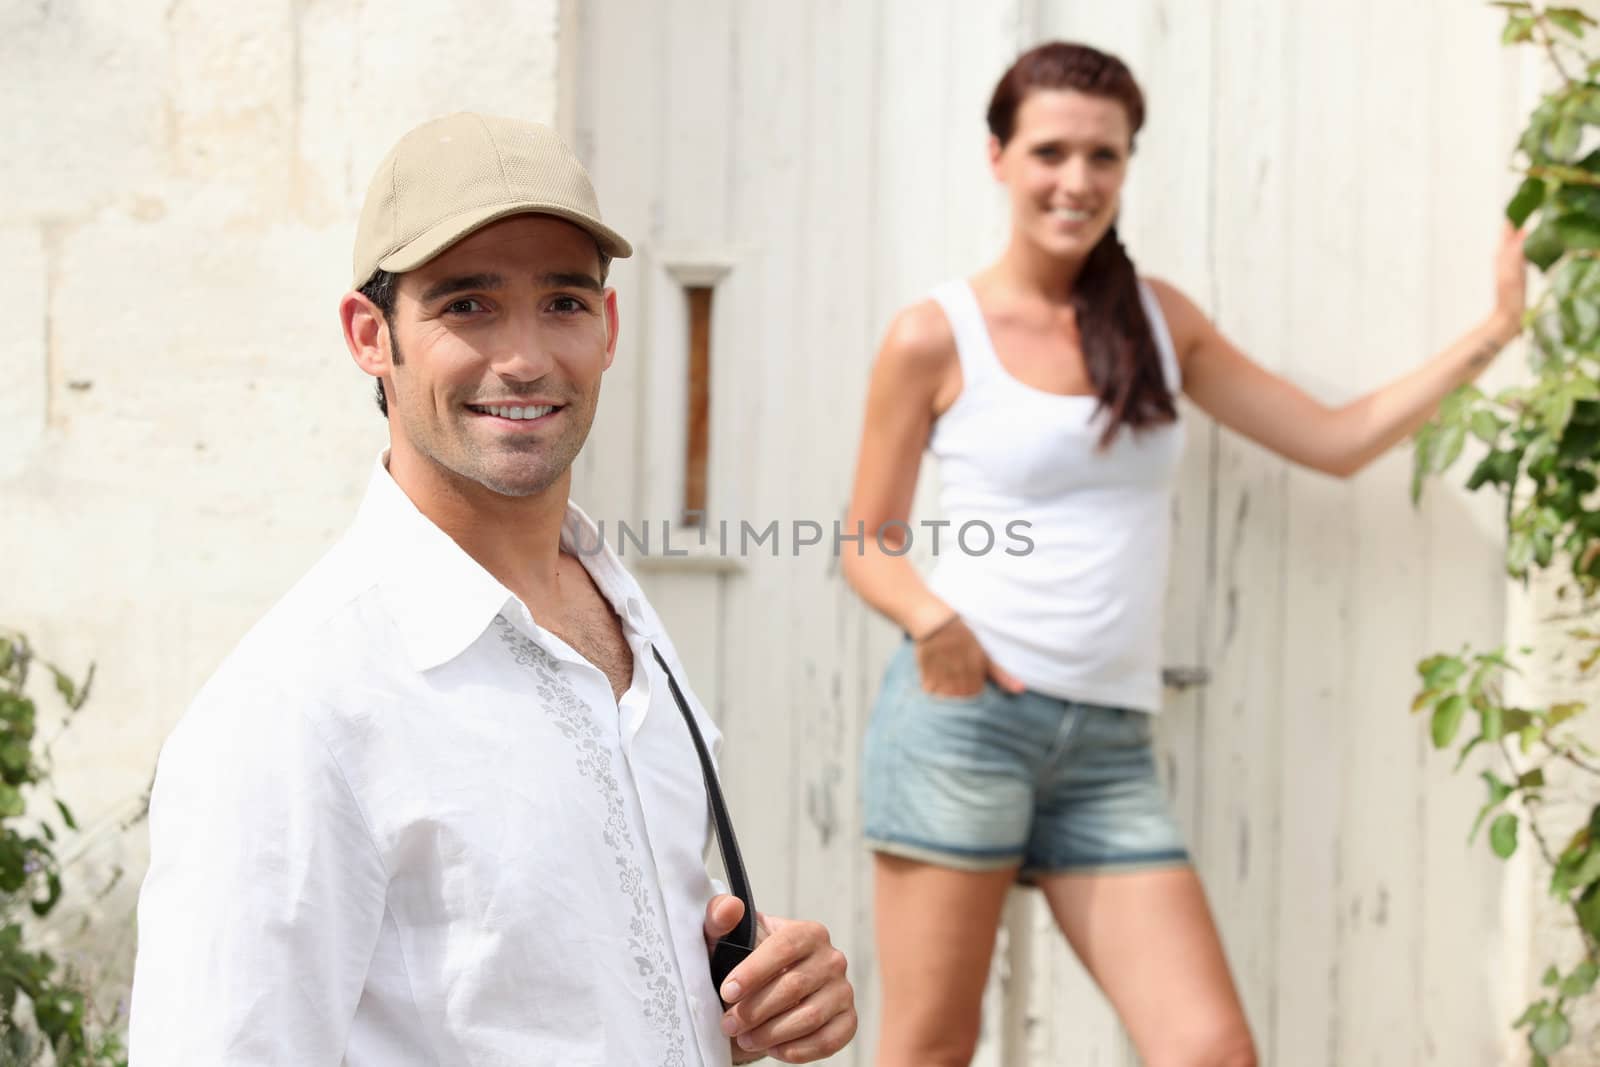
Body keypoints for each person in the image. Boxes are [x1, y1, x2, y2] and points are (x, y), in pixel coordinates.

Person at [841, 41, 1525, 1067]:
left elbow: (1332, 439)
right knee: (931, 1047)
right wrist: (931, 617)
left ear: (1126, 165)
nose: (1076, 181)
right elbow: (866, 537)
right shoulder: (934, 335)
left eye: (1102, 157)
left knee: (1208, 1047)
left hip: (1106, 745)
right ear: (998, 157)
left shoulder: (1160, 323)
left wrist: (1495, 330)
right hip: (965, 727)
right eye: (1050, 152)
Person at [128, 113, 856, 1067]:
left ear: (610, 329)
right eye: (467, 305)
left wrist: (761, 988)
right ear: (368, 335)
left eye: (562, 301)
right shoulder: (295, 708)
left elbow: (562, 966)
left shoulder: (618, 609)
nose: (524, 358)